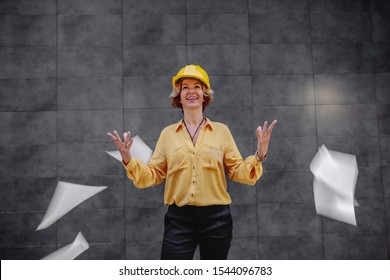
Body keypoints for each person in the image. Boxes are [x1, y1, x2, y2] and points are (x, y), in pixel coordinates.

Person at [107, 64, 276, 260]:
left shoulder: (222, 131)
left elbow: (239, 172)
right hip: (179, 220)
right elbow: (152, 175)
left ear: (205, 94)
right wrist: (128, 159)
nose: (191, 91)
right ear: (178, 96)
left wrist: (259, 155)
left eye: (197, 86)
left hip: (217, 219)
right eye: (185, 87)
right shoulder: (167, 134)